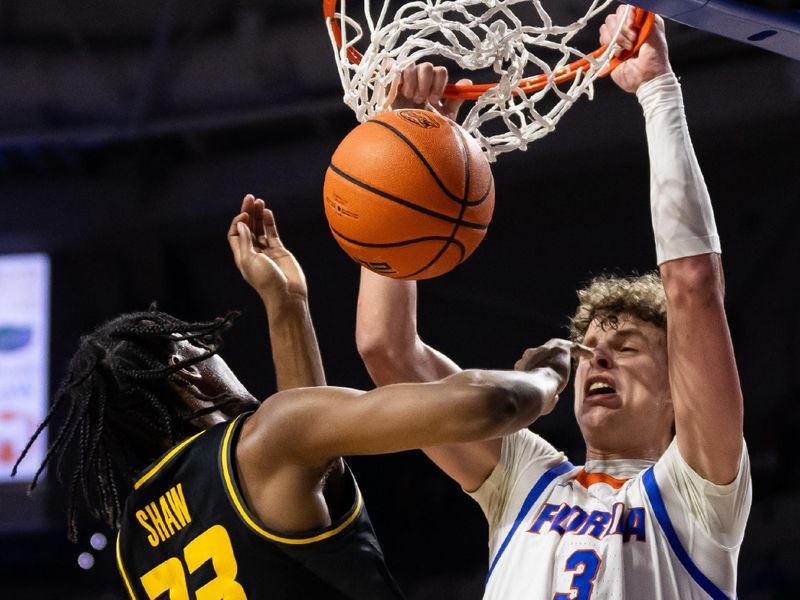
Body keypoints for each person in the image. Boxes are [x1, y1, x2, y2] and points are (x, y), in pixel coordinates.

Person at [355, 8, 751, 599]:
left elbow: (692, 283)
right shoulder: (525, 475)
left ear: (679, 385)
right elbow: (387, 350)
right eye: (590, 349)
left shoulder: (698, 494)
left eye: (626, 347)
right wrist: (407, 147)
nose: (598, 360)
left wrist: (658, 91)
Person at [13, 195, 588, 599]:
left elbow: (312, 452)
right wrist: (547, 375)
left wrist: (287, 304)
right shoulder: (262, 443)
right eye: (205, 350)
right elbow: (486, 406)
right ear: (185, 373)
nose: (223, 358)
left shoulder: (133, 544)